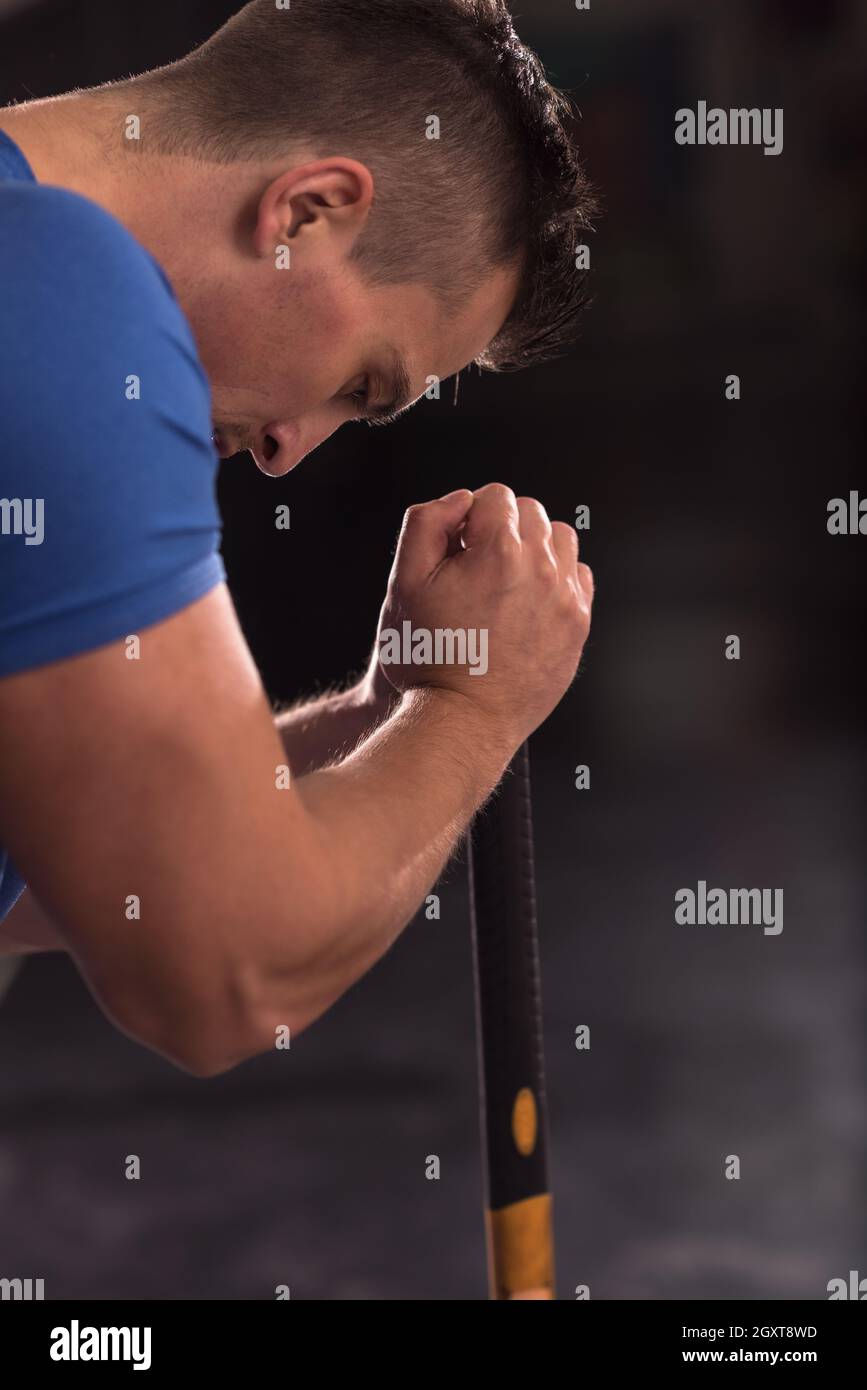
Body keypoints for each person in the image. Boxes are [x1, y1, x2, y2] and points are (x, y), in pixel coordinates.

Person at [0, 0, 595, 1076]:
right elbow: (225, 973)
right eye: (363, 384)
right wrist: (472, 712)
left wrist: (386, 713)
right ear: (308, 212)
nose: (288, 449)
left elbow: (80, 853)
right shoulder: (52, 292)